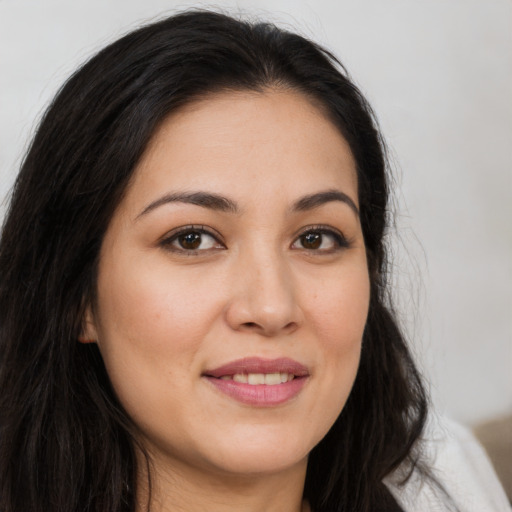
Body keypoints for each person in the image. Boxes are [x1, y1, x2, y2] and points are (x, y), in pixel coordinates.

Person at [0, 9, 508, 512]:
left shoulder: (443, 485)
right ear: (77, 295)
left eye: (315, 239)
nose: (270, 307)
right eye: (193, 239)